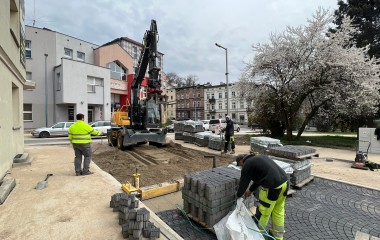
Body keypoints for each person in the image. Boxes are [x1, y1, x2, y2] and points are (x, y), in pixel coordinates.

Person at [236, 153, 288, 240]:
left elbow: (243, 183)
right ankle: (278, 236)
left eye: (240, 165)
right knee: (278, 210)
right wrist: (251, 190)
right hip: (284, 184)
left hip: (272, 188)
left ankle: (257, 235)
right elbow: (261, 178)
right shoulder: (259, 158)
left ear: (241, 161)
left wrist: (238, 196)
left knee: (263, 212)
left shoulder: (247, 164)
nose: (241, 167)